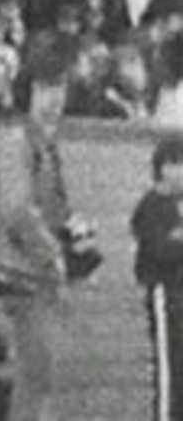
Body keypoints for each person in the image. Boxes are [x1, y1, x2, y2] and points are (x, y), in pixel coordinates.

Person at [0, 40, 87, 420]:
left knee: (40, 379)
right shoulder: (14, 139)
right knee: (32, 381)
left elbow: (50, 210)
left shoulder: (43, 144)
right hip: (22, 278)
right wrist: (53, 252)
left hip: (39, 278)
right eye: (45, 88)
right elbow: (16, 211)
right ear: (27, 89)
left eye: (59, 87)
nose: (54, 99)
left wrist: (75, 233)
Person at [132, 132, 179, 421]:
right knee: (168, 374)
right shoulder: (150, 206)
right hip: (167, 298)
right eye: (174, 163)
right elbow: (159, 249)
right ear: (161, 167)